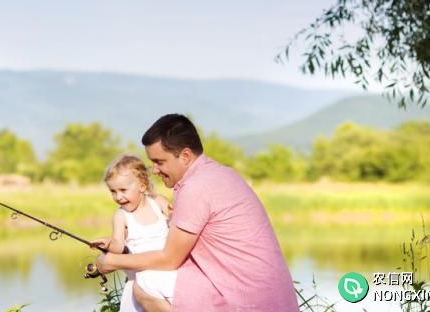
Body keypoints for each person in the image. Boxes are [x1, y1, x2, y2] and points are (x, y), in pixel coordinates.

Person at [96, 114, 298, 312]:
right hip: (272, 294)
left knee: (146, 284)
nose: (154, 170)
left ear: (185, 156)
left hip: (246, 297)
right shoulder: (222, 173)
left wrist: (112, 261)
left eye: (159, 162)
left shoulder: (195, 187)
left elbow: (169, 259)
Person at [90, 155, 176, 312]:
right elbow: (118, 245)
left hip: (168, 276)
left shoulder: (158, 202)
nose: (118, 197)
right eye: (113, 191)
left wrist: (174, 213)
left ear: (142, 186)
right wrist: (108, 243)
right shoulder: (121, 216)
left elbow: (176, 219)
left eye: (123, 190)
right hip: (138, 283)